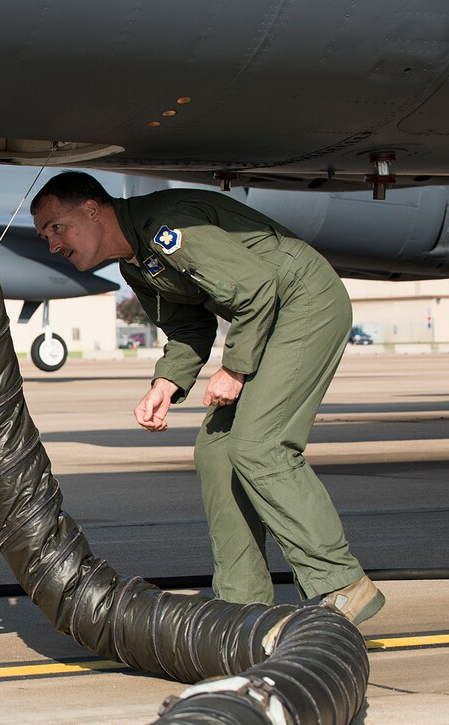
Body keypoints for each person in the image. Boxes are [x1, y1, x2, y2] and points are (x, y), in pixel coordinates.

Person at [30, 171, 384, 624]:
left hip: (303, 303)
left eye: (56, 228)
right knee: (216, 451)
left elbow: (256, 287)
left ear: (92, 209)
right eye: (45, 236)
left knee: (260, 446)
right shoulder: (134, 263)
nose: (52, 245)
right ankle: (243, 604)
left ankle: (342, 583)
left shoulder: (167, 225)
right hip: (269, 319)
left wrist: (234, 368)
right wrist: (166, 383)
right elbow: (189, 328)